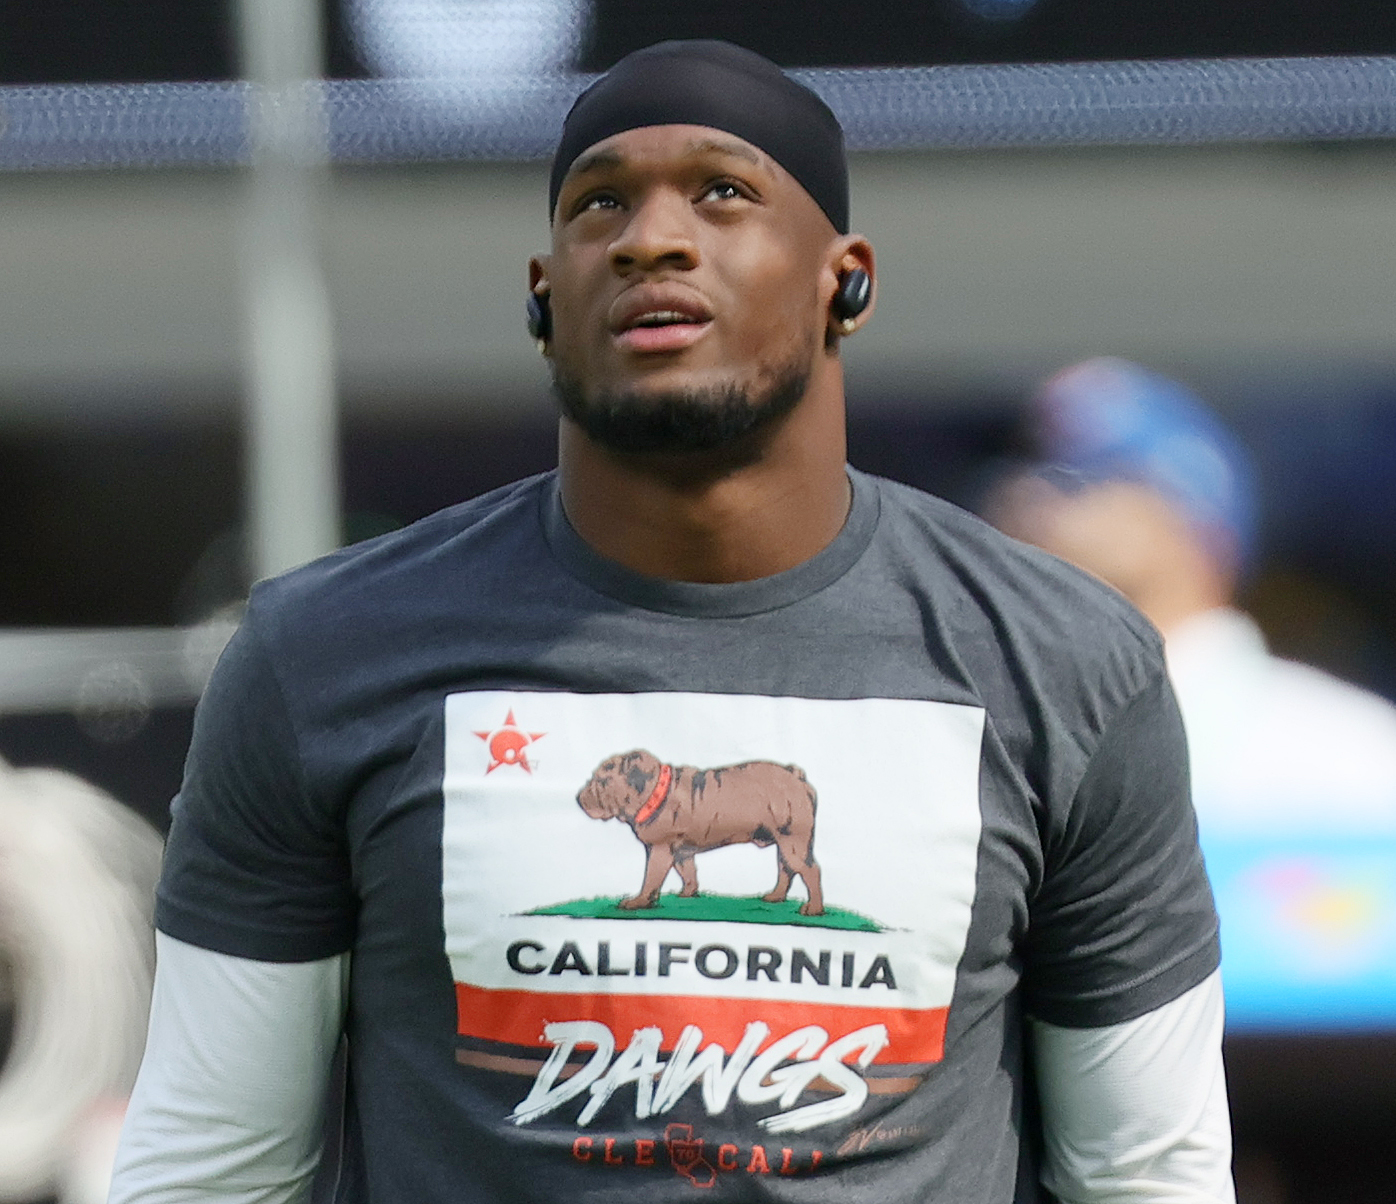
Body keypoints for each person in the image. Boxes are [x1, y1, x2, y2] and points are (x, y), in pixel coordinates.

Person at [109, 43, 1233, 1204]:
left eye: (723, 193)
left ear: (842, 280)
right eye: (601, 203)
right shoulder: (322, 656)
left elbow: (1149, 1176)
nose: (651, 236)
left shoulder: (1061, 663)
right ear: (544, 297)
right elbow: (208, 1171)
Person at [984, 356, 1396, 842]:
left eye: (1080, 478)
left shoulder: (1345, 753)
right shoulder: (985, 736)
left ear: (1190, 515)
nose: (1032, 505)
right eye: (1029, 475)